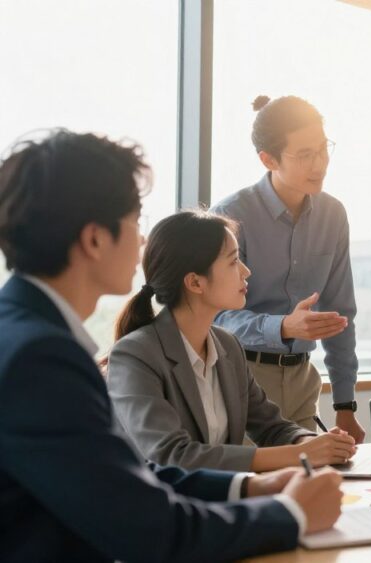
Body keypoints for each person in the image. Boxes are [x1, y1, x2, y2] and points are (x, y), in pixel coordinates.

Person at [0, 130, 343, 561]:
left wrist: (250, 485)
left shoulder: (26, 332)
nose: (143, 241)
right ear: (94, 239)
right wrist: (290, 514)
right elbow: (146, 528)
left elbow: (129, 477)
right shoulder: (39, 356)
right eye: (135, 222)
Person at [107, 210, 357, 471]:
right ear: (195, 282)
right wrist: (302, 455)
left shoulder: (227, 345)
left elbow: (271, 427)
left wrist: (316, 442)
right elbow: (172, 456)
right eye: (233, 261)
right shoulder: (135, 355)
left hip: (222, 500)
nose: (246, 272)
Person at [212, 95, 363, 440]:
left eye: (323, 149)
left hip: (302, 381)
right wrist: (283, 327)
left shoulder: (333, 215)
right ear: (268, 159)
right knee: (255, 486)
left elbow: (340, 314)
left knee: (307, 485)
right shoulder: (233, 216)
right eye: (305, 155)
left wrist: (345, 405)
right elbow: (216, 317)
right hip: (243, 374)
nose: (320, 164)